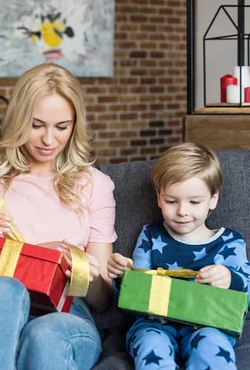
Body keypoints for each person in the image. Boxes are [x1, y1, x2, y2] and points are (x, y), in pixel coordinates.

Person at [0, 63, 117, 369]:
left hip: (65, 311)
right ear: (18, 120)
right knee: (5, 289)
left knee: (44, 333)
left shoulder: (94, 186)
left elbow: (102, 300)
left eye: (61, 126)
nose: (48, 140)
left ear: (75, 125)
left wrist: (83, 272)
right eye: (36, 125)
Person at [107, 142, 250, 370]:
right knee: (151, 345)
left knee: (212, 348)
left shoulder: (230, 242)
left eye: (194, 202)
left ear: (213, 198)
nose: (182, 211)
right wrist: (122, 276)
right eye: (172, 201)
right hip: (154, 324)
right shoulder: (151, 235)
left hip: (209, 324)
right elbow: (132, 296)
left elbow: (246, 296)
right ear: (159, 197)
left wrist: (229, 279)